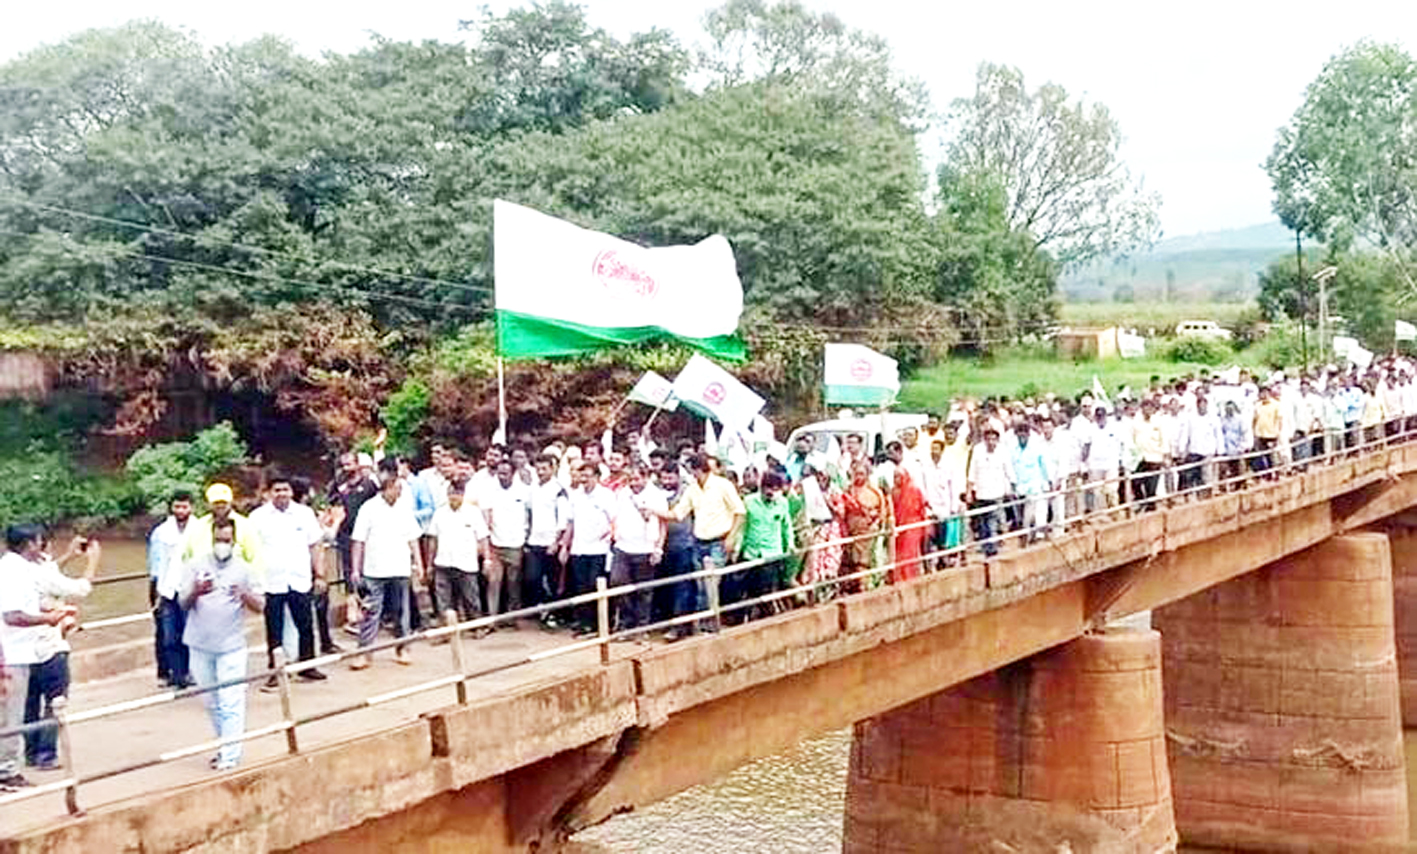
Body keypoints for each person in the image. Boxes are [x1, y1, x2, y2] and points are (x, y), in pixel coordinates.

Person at [178, 517, 263, 771]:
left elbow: (261, 606)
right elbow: (182, 603)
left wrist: (244, 594)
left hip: (231, 646)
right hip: (199, 644)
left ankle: (230, 755)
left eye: (226, 540)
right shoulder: (195, 566)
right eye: (218, 540)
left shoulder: (246, 570)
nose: (222, 545)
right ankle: (225, 744)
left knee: (231, 701)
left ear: (234, 541)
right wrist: (196, 591)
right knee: (210, 702)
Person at [0, 524, 80, 790]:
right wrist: (50, 618)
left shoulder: (19, 569)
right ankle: (6, 771)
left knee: (15, 711)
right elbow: (12, 616)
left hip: (20, 651)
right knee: (11, 714)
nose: (43, 547)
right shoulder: (14, 574)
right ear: (30, 544)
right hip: (12, 654)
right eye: (39, 542)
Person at [23, 532, 97, 772]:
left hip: (23, 647)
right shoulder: (44, 574)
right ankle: (46, 755)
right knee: (55, 700)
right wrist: (92, 561)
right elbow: (81, 588)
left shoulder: (15, 569)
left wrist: (68, 556)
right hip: (50, 646)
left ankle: (32, 753)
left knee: (29, 702)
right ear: (41, 546)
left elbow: (49, 571)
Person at [249, 474, 327, 688]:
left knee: (306, 624)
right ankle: (276, 671)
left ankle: (307, 666)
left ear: (292, 492)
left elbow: (315, 544)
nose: (281, 493)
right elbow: (251, 550)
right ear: (268, 493)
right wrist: (254, 584)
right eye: (277, 490)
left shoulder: (304, 514)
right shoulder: (257, 517)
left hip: (299, 578)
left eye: (285, 489)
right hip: (271, 582)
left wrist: (319, 574)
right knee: (274, 628)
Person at [349, 471, 424, 669]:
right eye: (395, 489)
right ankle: (364, 652)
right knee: (371, 612)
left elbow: (413, 538)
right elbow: (358, 540)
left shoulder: (404, 508)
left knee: (401, 612)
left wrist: (419, 564)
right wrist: (355, 569)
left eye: (400, 489)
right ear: (386, 488)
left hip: (400, 568)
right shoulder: (369, 508)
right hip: (374, 569)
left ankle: (403, 648)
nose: (399, 493)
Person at [663, 454, 746, 619]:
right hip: (699, 542)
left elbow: (740, 512)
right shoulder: (692, 489)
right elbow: (678, 514)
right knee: (701, 585)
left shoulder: (723, 485)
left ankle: (709, 622)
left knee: (711, 584)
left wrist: (731, 537)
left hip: (718, 541)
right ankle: (703, 622)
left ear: (697, 470)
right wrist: (653, 511)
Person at [324, 452, 378, 652]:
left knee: (368, 572)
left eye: (350, 464)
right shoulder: (337, 485)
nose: (347, 468)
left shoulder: (370, 485)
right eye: (344, 464)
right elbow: (331, 506)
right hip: (346, 536)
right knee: (349, 574)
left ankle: (370, 612)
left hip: (368, 536)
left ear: (358, 464)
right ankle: (352, 616)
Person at [610, 466, 667, 632]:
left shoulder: (656, 495)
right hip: (623, 547)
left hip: (646, 548)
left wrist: (658, 548)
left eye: (637, 479)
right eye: (631, 479)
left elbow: (663, 523)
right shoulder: (622, 493)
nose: (633, 483)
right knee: (618, 583)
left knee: (644, 591)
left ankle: (642, 626)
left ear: (646, 477)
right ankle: (626, 622)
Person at [562, 463, 617, 635]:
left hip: (599, 550)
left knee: (596, 586)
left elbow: (614, 519)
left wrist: (610, 535)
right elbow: (570, 522)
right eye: (582, 476)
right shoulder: (575, 495)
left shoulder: (606, 495)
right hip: (579, 549)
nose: (584, 480)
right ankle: (583, 622)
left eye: (588, 476)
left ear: (597, 477)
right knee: (581, 587)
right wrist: (565, 546)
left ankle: (599, 623)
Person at [148, 491, 194, 688]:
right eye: (177, 507)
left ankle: (187, 672)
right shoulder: (161, 532)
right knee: (169, 635)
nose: (180, 511)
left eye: (184, 506)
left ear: (191, 507)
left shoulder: (200, 529)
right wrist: (155, 592)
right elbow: (155, 563)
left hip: (191, 589)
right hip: (167, 590)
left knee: (189, 633)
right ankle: (175, 675)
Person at [732, 470, 794, 619]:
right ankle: (745, 618)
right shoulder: (749, 502)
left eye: (775, 489)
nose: (771, 492)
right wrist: (736, 548)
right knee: (746, 590)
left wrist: (790, 544)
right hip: (751, 552)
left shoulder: (783, 503)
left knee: (767, 591)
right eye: (768, 488)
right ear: (762, 488)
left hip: (772, 554)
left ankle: (769, 618)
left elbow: (787, 526)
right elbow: (742, 527)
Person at [427, 481, 489, 626]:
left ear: (462, 494)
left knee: (471, 599)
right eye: (451, 494)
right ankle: (446, 630)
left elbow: (483, 537)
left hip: (466, 564)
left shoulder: (473, 512)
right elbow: (433, 540)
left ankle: (476, 626)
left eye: (457, 494)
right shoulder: (439, 513)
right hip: (443, 562)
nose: (453, 497)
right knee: (443, 600)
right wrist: (430, 565)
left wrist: (487, 559)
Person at [482, 459, 530, 616]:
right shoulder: (489, 490)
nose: (502, 477)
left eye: (505, 473)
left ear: (513, 473)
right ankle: (491, 617)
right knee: (494, 582)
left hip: (516, 544)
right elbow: (486, 516)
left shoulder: (523, 491)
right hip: (496, 544)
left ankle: (512, 617)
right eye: (499, 473)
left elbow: (530, 515)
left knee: (513, 583)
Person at [525, 454, 569, 624]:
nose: (540, 472)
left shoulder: (559, 489)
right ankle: (541, 607)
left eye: (544, 468)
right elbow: (528, 512)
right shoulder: (533, 487)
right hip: (535, 541)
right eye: (538, 468)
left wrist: (556, 542)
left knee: (553, 580)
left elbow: (562, 519)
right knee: (532, 578)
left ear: (553, 468)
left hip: (551, 542)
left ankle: (553, 613)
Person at [798, 462, 844, 599]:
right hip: (815, 528)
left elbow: (841, 512)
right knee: (814, 562)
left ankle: (829, 591)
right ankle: (813, 593)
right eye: (818, 476)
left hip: (831, 529)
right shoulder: (809, 491)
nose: (821, 479)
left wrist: (828, 504)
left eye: (823, 476)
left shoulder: (835, 492)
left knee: (830, 561)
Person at [841, 460, 888, 588]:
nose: (859, 477)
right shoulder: (848, 491)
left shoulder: (874, 491)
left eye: (862, 474)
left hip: (867, 531)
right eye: (856, 474)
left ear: (867, 475)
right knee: (850, 562)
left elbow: (882, 512)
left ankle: (865, 585)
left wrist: (875, 523)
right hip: (850, 531)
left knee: (863, 562)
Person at [967, 427, 1013, 556]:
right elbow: (972, 471)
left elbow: (1008, 470)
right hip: (981, 492)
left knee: (993, 521)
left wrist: (1011, 487)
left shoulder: (1003, 451)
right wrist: (970, 491)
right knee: (983, 522)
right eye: (989, 439)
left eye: (994, 439)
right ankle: (986, 545)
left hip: (997, 492)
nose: (991, 442)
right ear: (984, 440)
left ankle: (992, 548)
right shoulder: (978, 450)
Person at [1010, 422, 1051, 541]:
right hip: (1020, 489)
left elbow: (1045, 466)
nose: (1022, 437)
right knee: (1024, 516)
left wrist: (1048, 482)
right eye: (1019, 435)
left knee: (1038, 512)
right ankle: (1026, 534)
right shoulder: (1013, 451)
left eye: (1024, 434)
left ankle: (1038, 535)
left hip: (1035, 486)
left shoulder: (1037, 448)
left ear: (1028, 435)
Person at [890, 468, 928, 582]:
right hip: (900, 525)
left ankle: (911, 576)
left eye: (899, 476)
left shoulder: (914, 490)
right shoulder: (894, 492)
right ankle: (901, 577)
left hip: (913, 525)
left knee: (910, 552)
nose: (896, 480)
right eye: (894, 477)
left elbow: (922, 507)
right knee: (900, 553)